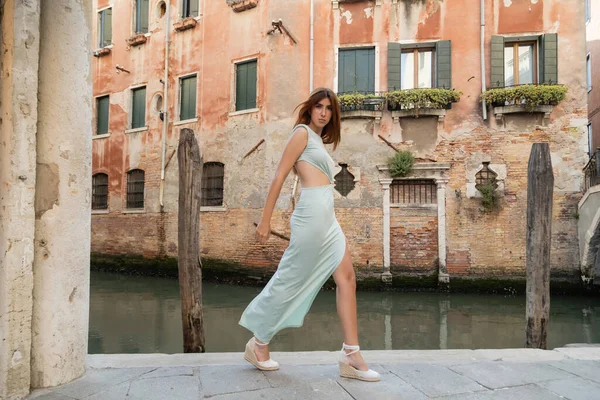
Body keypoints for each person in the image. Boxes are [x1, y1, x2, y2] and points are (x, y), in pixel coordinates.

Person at [238, 88, 380, 382]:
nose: (324, 112)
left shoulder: (318, 141)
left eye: (329, 108)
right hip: (310, 218)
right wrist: (265, 220)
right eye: (319, 106)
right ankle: (259, 342)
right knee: (291, 278)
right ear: (310, 109)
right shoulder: (301, 133)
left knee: (348, 279)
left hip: (328, 220)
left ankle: (351, 355)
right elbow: (279, 175)